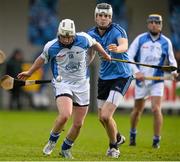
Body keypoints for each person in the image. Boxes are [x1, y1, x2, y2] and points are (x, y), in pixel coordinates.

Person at [17, 19, 111, 159]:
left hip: (82, 84)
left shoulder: (84, 38)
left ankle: (66, 148)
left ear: (73, 34)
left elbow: (95, 44)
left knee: (78, 124)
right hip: (63, 83)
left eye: (69, 36)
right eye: (63, 36)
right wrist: (29, 72)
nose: (66, 39)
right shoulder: (51, 46)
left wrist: (104, 54)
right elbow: (41, 59)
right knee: (65, 115)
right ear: (58, 34)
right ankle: (51, 141)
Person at [87, 3, 133, 158]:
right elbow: (91, 53)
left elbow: (124, 45)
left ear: (110, 18)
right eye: (100, 15)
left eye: (106, 16)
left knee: (106, 115)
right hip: (104, 77)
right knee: (102, 118)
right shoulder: (90, 34)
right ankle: (118, 137)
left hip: (121, 76)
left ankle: (114, 148)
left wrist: (117, 49)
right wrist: (85, 64)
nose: (103, 18)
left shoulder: (118, 30)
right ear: (95, 17)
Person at [127, 14, 178, 149]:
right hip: (141, 81)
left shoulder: (166, 42)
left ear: (161, 25)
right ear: (148, 24)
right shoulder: (140, 39)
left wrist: (174, 73)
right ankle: (132, 133)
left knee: (156, 109)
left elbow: (172, 61)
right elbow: (129, 56)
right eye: (152, 22)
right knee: (138, 110)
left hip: (158, 81)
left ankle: (156, 139)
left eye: (157, 22)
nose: (154, 24)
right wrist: (136, 72)